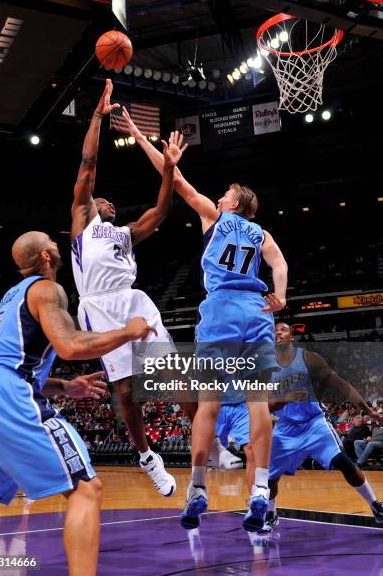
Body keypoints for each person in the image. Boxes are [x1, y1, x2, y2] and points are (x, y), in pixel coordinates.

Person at [121, 109, 288, 531]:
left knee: (209, 402)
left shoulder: (215, 218)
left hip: (220, 313)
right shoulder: (261, 233)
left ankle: (197, 488)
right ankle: (262, 490)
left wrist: (142, 137)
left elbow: (172, 177)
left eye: (224, 194)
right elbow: (279, 263)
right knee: (258, 402)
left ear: (233, 204)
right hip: (256, 312)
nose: (217, 197)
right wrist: (280, 296)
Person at [0, 231, 156, 576]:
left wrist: (65, 386)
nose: (58, 244)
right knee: (87, 488)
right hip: (7, 394)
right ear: (46, 256)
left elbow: (13, 360)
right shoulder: (46, 289)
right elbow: (70, 346)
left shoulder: (10, 297)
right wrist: (129, 332)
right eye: (51, 242)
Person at [70, 79, 188, 497]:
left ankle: (210, 441)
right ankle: (146, 456)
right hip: (98, 307)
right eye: (105, 202)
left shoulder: (124, 232)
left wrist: (170, 168)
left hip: (133, 298)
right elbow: (87, 164)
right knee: (125, 389)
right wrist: (98, 117)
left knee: (175, 372)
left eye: (113, 205)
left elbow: (161, 211)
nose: (111, 205)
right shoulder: (83, 224)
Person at [261, 322, 383, 532]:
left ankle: (375, 506)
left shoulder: (308, 358)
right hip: (286, 427)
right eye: (275, 331)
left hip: (313, 423)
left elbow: (341, 384)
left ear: (291, 337)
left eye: (283, 330)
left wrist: (367, 410)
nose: (278, 333)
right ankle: (271, 513)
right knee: (271, 477)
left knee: (343, 463)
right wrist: (285, 399)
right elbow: (265, 406)